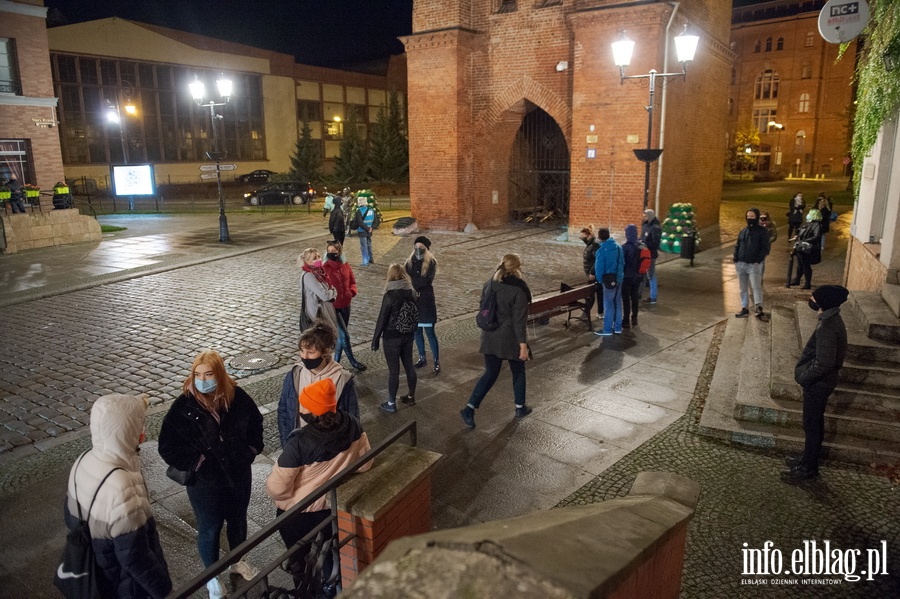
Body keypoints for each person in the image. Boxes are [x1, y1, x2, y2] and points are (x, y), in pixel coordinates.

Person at [158, 350, 264, 599]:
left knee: (238, 520)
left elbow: (256, 424)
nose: (202, 379)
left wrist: (250, 450)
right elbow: (167, 445)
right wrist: (198, 462)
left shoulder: (237, 397)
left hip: (238, 473)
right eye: (197, 374)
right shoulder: (183, 406)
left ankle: (238, 560)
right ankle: (212, 577)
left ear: (219, 374)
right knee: (210, 528)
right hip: (205, 482)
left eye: (208, 374)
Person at [266, 378, 372, 596]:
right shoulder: (352, 424)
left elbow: (277, 489)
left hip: (298, 513)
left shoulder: (299, 443)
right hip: (330, 507)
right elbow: (365, 463)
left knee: (299, 560)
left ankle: (305, 589)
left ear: (311, 412)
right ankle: (332, 587)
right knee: (330, 554)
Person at [63, 394, 172, 599]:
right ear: (127, 430)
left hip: (96, 569)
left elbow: (70, 516)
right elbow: (135, 556)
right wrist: (165, 591)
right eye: (140, 424)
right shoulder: (121, 486)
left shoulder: (83, 460)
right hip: (126, 585)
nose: (143, 430)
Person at [782, 285, 848, 483]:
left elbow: (824, 363)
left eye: (814, 297)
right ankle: (806, 459)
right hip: (821, 383)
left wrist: (804, 377)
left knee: (811, 425)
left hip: (818, 384)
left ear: (823, 301)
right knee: (813, 424)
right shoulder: (830, 319)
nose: (811, 299)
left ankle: (807, 468)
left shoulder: (828, 326)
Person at [460, 253, 532, 429]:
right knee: (518, 370)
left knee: (490, 373)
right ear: (517, 268)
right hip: (509, 338)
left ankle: (469, 408)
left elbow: (482, 307)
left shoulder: (489, 283)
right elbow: (519, 321)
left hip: (489, 336)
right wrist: (523, 346)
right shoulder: (519, 290)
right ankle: (520, 407)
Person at [277, 321, 361, 447]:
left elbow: (352, 416)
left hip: (329, 447)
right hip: (299, 444)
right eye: (302, 351)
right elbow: (283, 409)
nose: (304, 357)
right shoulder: (295, 374)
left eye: (311, 353)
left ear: (326, 352)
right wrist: (287, 443)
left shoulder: (342, 379)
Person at [371, 263, 418, 413]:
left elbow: (382, 318)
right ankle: (410, 396)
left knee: (394, 371)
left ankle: (391, 403)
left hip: (391, 337)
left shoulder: (390, 295)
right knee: (409, 365)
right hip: (408, 334)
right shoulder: (412, 292)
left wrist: (375, 339)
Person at [321, 241, 366, 371]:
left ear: (339, 252)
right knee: (344, 335)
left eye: (334, 251)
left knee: (342, 336)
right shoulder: (325, 268)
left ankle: (336, 363)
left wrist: (351, 292)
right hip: (334, 307)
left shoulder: (345, 265)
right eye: (329, 251)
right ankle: (352, 361)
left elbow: (352, 281)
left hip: (346, 304)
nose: (331, 254)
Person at [405, 236, 441, 373]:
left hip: (426, 300)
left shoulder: (431, 262)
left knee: (430, 332)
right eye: (416, 247)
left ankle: (436, 360)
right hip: (415, 300)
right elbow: (409, 275)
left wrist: (416, 282)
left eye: (421, 247)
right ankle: (422, 357)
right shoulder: (410, 261)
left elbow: (426, 281)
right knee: (417, 332)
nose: (418, 250)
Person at [733, 208, 770, 318]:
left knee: (756, 286)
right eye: (748, 216)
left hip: (754, 264)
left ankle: (758, 307)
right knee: (743, 288)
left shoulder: (762, 231)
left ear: (757, 217)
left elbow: (765, 248)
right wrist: (736, 258)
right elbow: (738, 245)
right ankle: (744, 307)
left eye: (752, 216)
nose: (749, 218)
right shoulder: (743, 231)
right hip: (741, 263)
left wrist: (758, 260)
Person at [593, 227, 624, 336]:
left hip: (608, 280)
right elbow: (622, 263)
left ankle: (607, 329)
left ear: (600, 237)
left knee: (608, 304)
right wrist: (619, 277)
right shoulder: (619, 247)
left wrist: (601, 280)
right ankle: (618, 327)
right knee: (618, 303)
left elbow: (599, 268)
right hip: (618, 279)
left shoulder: (601, 250)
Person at [788, 208, 823, 289]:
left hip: (808, 248)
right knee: (800, 264)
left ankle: (807, 283)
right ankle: (797, 280)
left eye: (810, 213)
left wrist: (804, 240)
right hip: (802, 247)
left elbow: (816, 236)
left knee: (806, 265)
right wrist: (798, 237)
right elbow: (801, 232)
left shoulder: (817, 225)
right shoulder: (807, 223)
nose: (808, 215)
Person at [578, 225, 603, 324]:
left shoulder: (594, 245)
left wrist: (592, 272)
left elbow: (598, 260)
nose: (581, 237)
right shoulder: (590, 244)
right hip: (593, 273)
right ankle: (601, 312)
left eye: (582, 235)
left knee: (590, 293)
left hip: (594, 275)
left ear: (588, 235)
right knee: (599, 293)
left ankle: (586, 313)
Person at [621, 224, 642, 329]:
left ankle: (625, 320)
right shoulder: (640, 246)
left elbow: (622, 263)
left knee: (626, 299)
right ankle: (634, 318)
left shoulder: (625, 248)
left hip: (627, 277)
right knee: (634, 298)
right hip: (637, 276)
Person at [641, 209, 662, 304]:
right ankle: (639, 293)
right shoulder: (645, 225)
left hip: (651, 254)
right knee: (644, 274)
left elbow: (655, 243)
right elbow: (642, 237)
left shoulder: (655, 227)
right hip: (644, 253)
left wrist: (645, 244)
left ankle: (653, 296)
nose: (643, 218)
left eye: (645, 216)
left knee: (651, 275)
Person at [351, 195, 376, 266]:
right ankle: (371, 258)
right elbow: (375, 221)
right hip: (369, 231)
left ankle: (365, 261)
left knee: (364, 246)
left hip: (362, 231)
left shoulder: (359, 211)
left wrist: (367, 228)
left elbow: (360, 222)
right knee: (369, 245)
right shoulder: (371, 210)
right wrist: (371, 228)